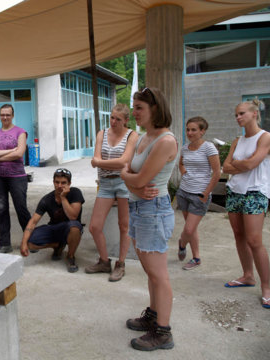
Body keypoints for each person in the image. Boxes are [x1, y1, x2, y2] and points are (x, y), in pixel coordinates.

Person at [121, 87, 178, 351]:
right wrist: (131, 182)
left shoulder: (165, 141)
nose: (134, 112)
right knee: (150, 271)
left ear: (155, 108)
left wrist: (129, 180)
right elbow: (126, 167)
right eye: (134, 107)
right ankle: (153, 316)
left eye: (139, 107)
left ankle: (163, 332)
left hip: (153, 209)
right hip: (138, 207)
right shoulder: (144, 137)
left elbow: (140, 178)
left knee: (158, 273)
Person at [222, 99, 270, 309]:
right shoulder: (238, 140)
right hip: (235, 190)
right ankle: (247, 275)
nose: (238, 117)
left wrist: (238, 165)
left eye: (242, 113)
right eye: (236, 114)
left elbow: (253, 163)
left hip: (255, 192)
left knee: (254, 241)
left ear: (254, 114)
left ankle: (266, 288)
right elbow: (226, 166)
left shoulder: (265, 137)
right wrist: (240, 165)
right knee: (239, 236)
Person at [85, 104, 138, 281]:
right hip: (106, 183)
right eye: (112, 117)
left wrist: (99, 163)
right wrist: (103, 162)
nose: (114, 122)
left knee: (124, 225)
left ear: (126, 121)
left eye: (118, 119)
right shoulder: (102, 133)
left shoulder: (132, 135)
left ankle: (121, 264)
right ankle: (104, 260)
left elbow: (124, 161)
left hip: (124, 181)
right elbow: (97, 156)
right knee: (94, 226)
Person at [176, 117, 220, 270]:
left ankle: (182, 243)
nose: (190, 132)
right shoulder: (185, 148)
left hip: (199, 195)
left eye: (194, 130)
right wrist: (184, 173)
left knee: (188, 229)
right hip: (184, 192)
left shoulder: (209, 148)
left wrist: (206, 193)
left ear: (202, 131)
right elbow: (180, 163)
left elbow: (216, 173)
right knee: (191, 228)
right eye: (188, 129)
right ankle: (196, 258)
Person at [20, 168, 84, 273]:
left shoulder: (75, 193)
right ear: (53, 182)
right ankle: (58, 245)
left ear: (69, 183)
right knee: (29, 242)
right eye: (57, 182)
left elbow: (73, 216)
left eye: (63, 183)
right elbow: (33, 222)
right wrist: (23, 243)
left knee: (74, 226)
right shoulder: (46, 199)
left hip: (70, 228)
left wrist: (63, 198)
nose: (59, 186)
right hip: (54, 228)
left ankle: (70, 256)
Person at [0, 104, 31, 253]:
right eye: (2, 115)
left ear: (12, 115)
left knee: (21, 209)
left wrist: (0, 154)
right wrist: (10, 150)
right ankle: (5, 244)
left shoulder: (21, 132)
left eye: (8, 114)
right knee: (1, 210)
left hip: (17, 177)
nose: (5, 117)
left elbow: (19, 154)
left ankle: (32, 241)